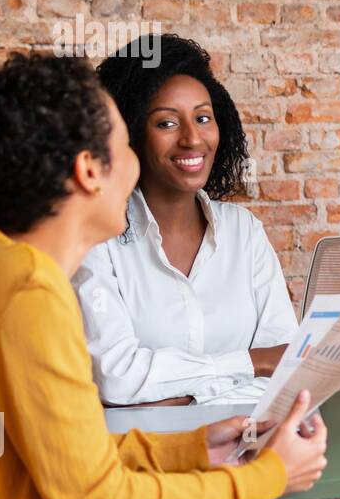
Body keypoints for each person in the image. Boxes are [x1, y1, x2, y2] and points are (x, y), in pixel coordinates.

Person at [0, 53, 326, 499]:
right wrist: (264, 479)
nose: (137, 162)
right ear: (89, 170)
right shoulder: (31, 298)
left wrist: (194, 448)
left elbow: (71, 454)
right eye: (127, 143)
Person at [74, 34, 295, 405]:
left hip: (241, 447)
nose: (193, 139)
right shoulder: (98, 239)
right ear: (128, 134)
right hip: (135, 456)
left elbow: (287, 367)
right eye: (166, 124)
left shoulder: (244, 232)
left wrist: (186, 399)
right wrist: (250, 363)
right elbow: (115, 378)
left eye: (203, 118)